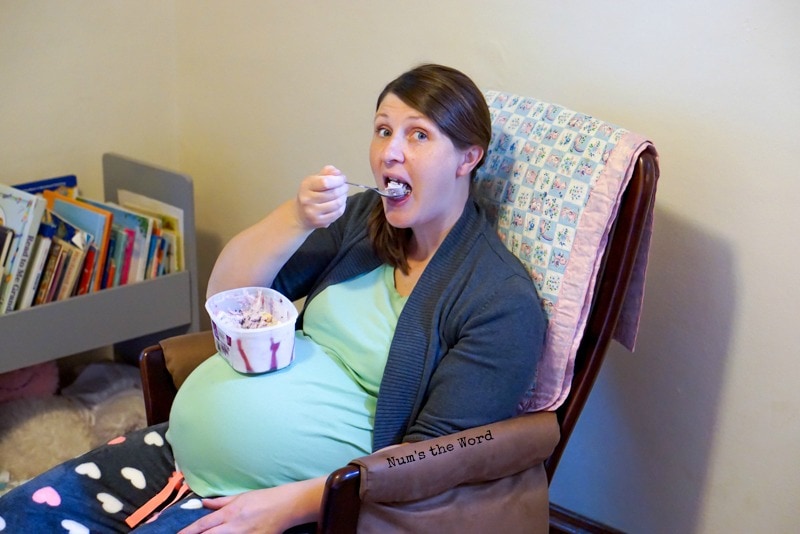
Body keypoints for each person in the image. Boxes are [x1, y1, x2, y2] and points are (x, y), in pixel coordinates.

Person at [0, 63, 546, 533]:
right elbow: (230, 299)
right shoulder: (364, 221)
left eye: (419, 135)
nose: (391, 152)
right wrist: (296, 218)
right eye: (383, 130)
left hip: (280, 503)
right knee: (16, 516)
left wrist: (288, 506)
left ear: (468, 157)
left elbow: (423, 465)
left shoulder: (501, 303)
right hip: (176, 452)